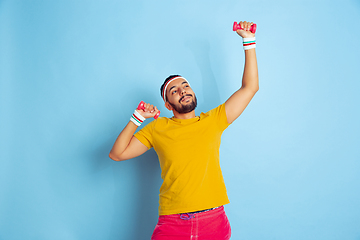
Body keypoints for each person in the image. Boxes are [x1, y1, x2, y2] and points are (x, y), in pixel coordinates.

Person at [109, 21, 259, 240]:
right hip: (173, 223)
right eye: (174, 90)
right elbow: (117, 153)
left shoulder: (214, 120)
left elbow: (250, 87)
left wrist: (248, 41)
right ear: (168, 105)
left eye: (186, 86)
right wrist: (138, 118)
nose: (182, 91)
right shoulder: (158, 128)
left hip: (213, 221)